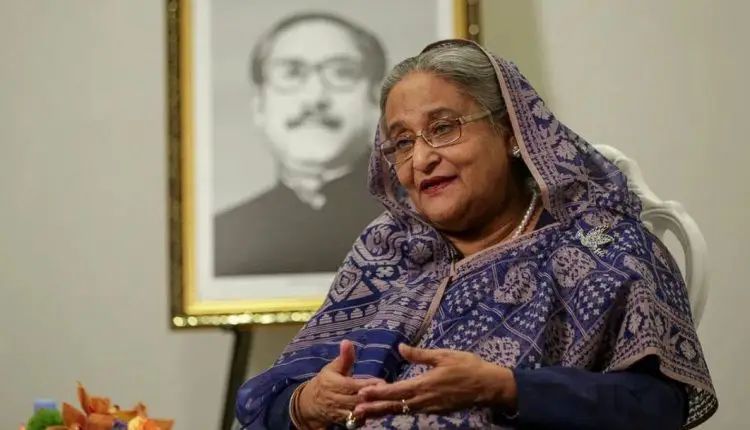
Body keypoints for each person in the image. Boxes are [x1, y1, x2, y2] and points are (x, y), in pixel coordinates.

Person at [235, 39, 717, 429]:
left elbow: (659, 407)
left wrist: (505, 387)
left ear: (511, 133)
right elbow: (269, 399)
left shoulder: (602, 246)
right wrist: (306, 404)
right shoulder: (388, 249)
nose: (421, 158)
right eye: (402, 142)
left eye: (443, 128)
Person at [214, 13, 386, 276]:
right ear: (259, 106)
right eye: (292, 73)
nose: (314, 97)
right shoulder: (220, 236)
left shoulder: (427, 225)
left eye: (342, 73)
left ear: (376, 100)